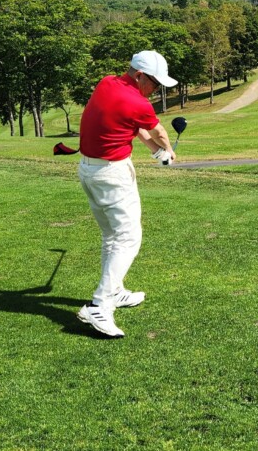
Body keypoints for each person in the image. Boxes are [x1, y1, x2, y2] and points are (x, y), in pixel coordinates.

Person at [75, 50, 179, 337]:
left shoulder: (107, 83)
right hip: (111, 174)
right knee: (128, 237)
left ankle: (116, 290)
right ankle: (100, 304)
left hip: (90, 170)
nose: (156, 90)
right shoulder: (137, 101)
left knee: (112, 235)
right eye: (155, 84)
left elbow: (132, 127)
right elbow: (157, 131)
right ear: (139, 75)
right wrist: (168, 151)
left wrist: (156, 153)